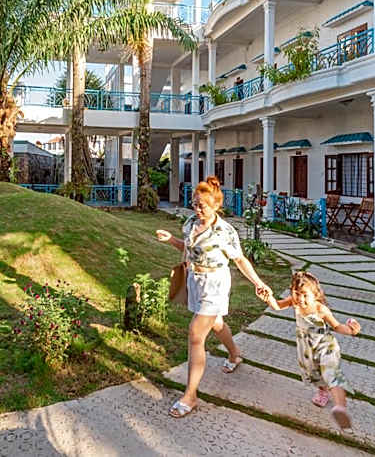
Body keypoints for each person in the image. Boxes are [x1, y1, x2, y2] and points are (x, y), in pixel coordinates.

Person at [155, 175, 274, 418]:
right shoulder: (190, 222)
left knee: (196, 334)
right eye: (194, 204)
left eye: (202, 206)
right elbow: (190, 249)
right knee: (217, 323)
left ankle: (190, 395)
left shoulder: (225, 231)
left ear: (216, 205)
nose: (197, 209)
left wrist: (259, 283)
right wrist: (172, 240)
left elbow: (240, 260)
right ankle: (235, 354)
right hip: (195, 280)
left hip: (215, 284)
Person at [258, 271, 361, 429]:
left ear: (315, 294)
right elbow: (277, 305)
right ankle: (323, 391)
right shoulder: (294, 302)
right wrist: (268, 298)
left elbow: (337, 326)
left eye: (305, 294)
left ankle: (340, 408)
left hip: (325, 345)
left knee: (331, 373)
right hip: (307, 347)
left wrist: (352, 330)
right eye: (297, 293)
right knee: (313, 373)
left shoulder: (320, 309)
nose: (300, 298)